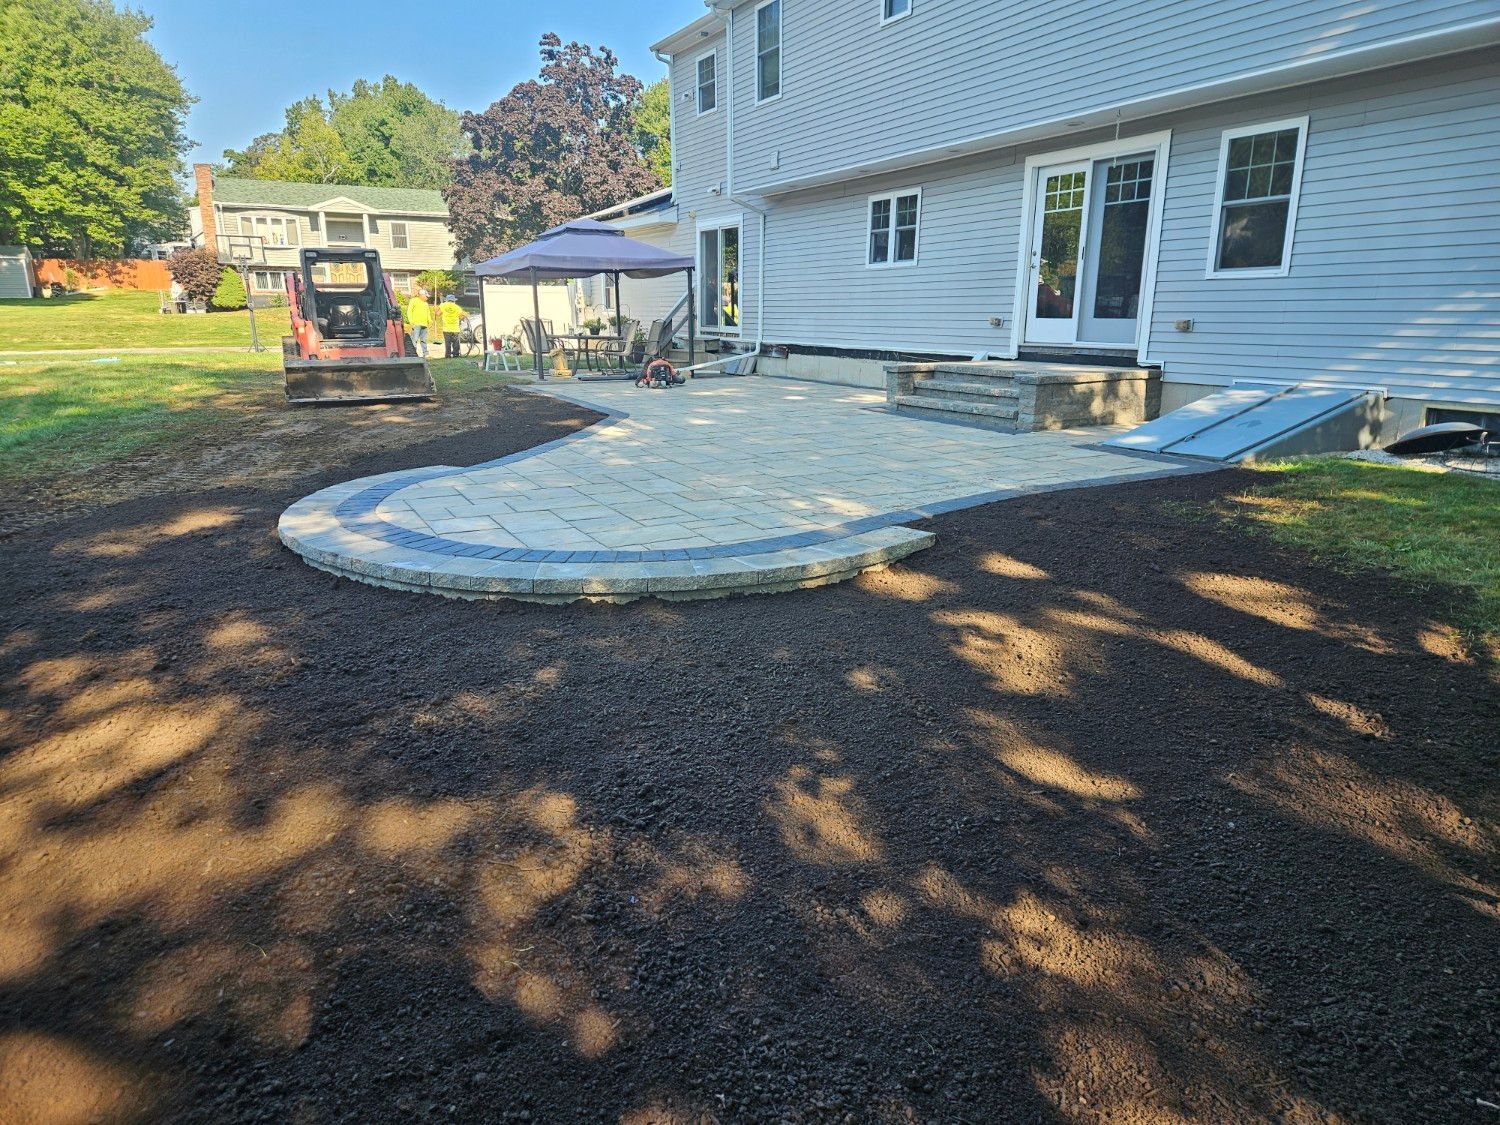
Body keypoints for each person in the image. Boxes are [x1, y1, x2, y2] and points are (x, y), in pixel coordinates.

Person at [406, 288, 432, 357]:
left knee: (423, 340)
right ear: (421, 295)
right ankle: (413, 353)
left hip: (424, 324)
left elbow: (428, 313)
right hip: (416, 324)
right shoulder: (413, 301)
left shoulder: (426, 304)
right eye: (426, 296)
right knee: (414, 340)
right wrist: (411, 322)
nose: (427, 298)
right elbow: (409, 311)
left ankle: (425, 353)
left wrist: (430, 320)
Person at [439, 293, 463, 359]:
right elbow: (461, 317)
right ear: (454, 300)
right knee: (456, 343)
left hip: (446, 328)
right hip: (455, 328)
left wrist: (435, 310)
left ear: (447, 300)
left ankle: (448, 355)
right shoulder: (458, 307)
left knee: (448, 343)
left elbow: (438, 314)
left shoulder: (443, 305)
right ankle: (456, 355)